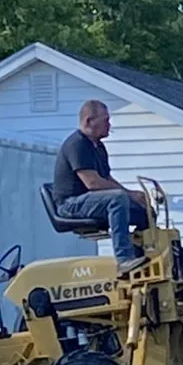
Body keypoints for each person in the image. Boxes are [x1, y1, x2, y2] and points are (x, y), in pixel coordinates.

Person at [53, 100, 150, 275]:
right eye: (105, 120)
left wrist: (134, 196)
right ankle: (124, 259)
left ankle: (145, 255)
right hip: (70, 204)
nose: (109, 125)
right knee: (117, 198)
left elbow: (106, 178)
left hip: (90, 201)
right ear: (89, 121)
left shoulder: (98, 147)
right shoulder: (77, 145)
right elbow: (93, 183)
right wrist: (127, 194)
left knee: (143, 209)